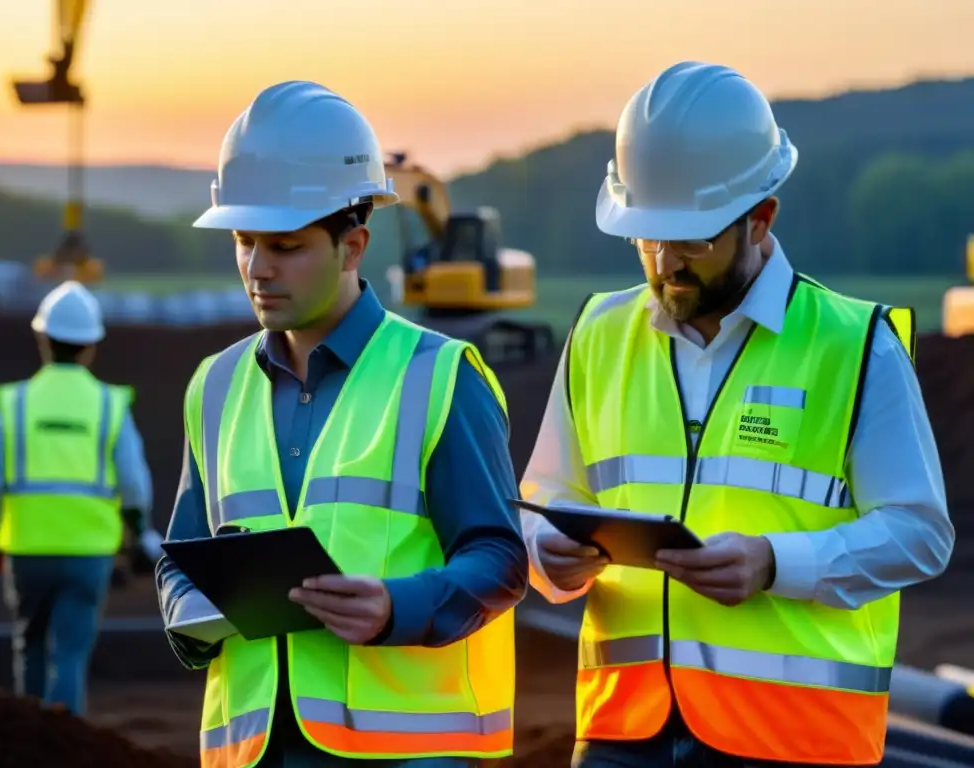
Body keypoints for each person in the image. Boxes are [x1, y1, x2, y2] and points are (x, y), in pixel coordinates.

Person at [520, 61, 955, 768]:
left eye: (691, 239)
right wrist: (549, 550)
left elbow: (920, 532)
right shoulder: (599, 333)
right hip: (622, 733)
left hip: (794, 742)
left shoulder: (853, 344)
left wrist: (777, 562)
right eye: (647, 238)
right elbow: (545, 498)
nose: (665, 264)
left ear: (761, 218)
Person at [155, 80, 527, 768]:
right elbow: (181, 557)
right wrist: (191, 612)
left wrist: (396, 606)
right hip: (254, 749)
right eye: (243, 240)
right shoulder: (213, 387)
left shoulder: (441, 375)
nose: (257, 268)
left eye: (285, 245)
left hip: (411, 753)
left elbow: (500, 560)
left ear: (353, 246)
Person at [0, 280, 160, 716]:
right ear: (92, 345)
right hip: (88, 551)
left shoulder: (12, 402)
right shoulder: (110, 405)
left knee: (29, 647)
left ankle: (27, 746)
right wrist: (140, 533)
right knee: (70, 653)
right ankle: (65, 742)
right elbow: (133, 481)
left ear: (42, 337)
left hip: (26, 547)